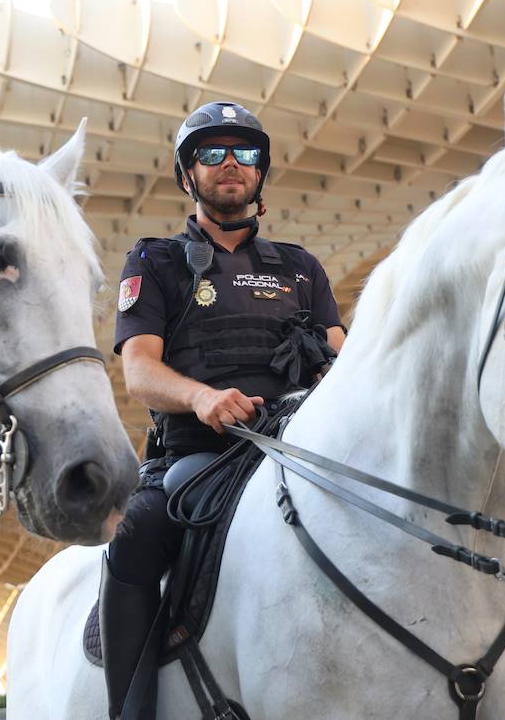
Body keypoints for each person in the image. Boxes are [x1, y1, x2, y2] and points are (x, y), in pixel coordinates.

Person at [100, 101, 345, 720]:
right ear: (189, 175)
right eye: (213, 153)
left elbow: (344, 363)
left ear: (262, 173)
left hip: (298, 449)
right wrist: (201, 397)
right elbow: (139, 371)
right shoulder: (154, 262)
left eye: (245, 153)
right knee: (133, 537)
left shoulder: (301, 268)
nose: (230, 163)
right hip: (201, 457)